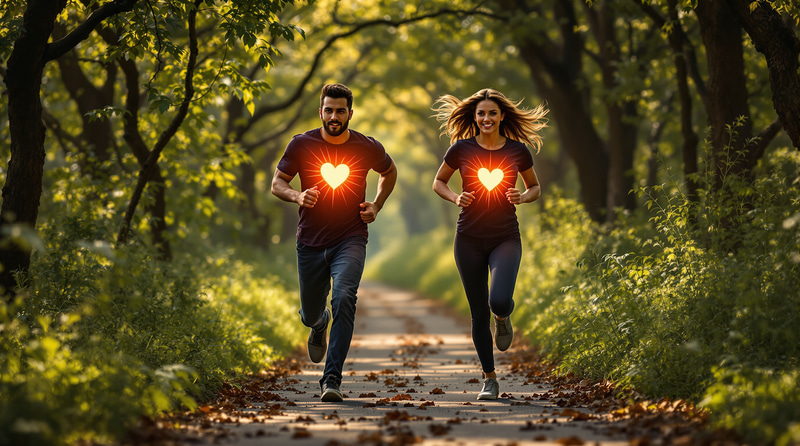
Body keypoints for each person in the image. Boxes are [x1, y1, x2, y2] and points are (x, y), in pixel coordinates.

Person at [272, 83, 397, 402]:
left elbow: (389, 171)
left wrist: (377, 205)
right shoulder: (301, 144)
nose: (334, 117)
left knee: (343, 297)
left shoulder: (366, 146)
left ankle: (332, 379)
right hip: (310, 241)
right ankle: (319, 324)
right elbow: (277, 183)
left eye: (340, 111)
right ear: (320, 112)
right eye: (329, 110)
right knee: (309, 314)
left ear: (350, 113)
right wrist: (297, 195)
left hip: (350, 237)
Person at [431, 88, 547, 400]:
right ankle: (490, 378)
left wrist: (522, 197)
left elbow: (535, 187)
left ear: (502, 116)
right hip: (468, 238)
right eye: (481, 113)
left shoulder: (518, 151)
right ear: (474, 116)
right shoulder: (461, 149)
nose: (486, 118)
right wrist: (455, 196)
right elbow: (438, 182)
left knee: (498, 301)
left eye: (492, 113)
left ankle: (503, 316)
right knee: (478, 313)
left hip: (505, 236)